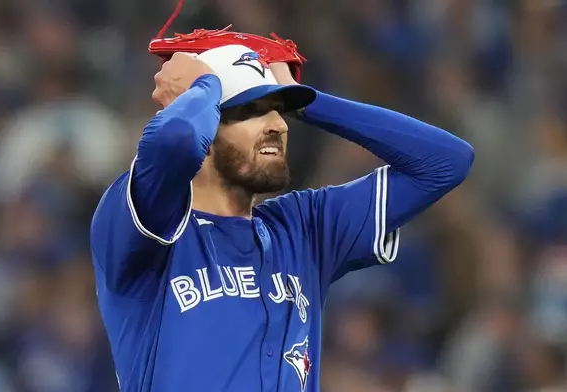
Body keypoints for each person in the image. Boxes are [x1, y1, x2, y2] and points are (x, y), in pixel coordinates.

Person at [89, 44, 474, 392]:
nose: (278, 124)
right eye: (251, 111)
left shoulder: (304, 227)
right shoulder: (146, 227)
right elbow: (177, 141)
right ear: (206, 129)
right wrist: (203, 87)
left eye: (279, 109)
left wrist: (309, 103)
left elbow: (445, 163)